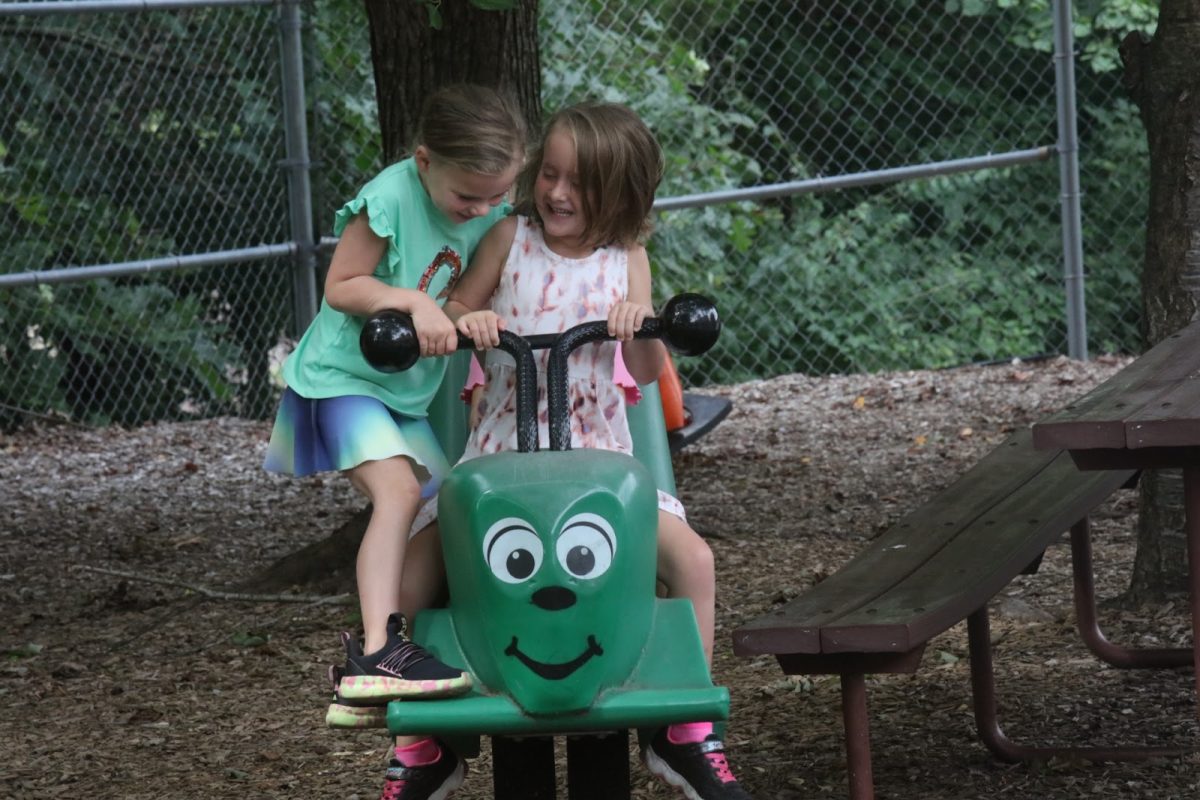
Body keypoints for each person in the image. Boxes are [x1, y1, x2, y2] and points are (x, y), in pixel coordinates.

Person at [403, 101, 753, 800]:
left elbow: (649, 370)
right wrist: (466, 318)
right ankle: (430, 739)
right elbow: (448, 312)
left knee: (695, 561)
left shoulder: (627, 258)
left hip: (601, 470)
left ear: (619, 192)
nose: (557, 194)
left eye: (579, 183)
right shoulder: (508, 237)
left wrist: (637, 326)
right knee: (410, 576)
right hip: (498, 462)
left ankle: (681, 727)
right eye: (551, 175)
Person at [262, 84, 526, 799]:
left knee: (439, 510)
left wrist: (464, 315)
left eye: (493, 199)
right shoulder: (388, 196)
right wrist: (409, 300)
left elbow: (467, 290)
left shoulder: (490, 206)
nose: (479, 211)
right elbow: (341, 285)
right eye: (467, 198)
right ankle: (378, 650)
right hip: (338, 381)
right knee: (400, 494)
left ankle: (366, 672)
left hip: (399, 395)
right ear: (422, 160)